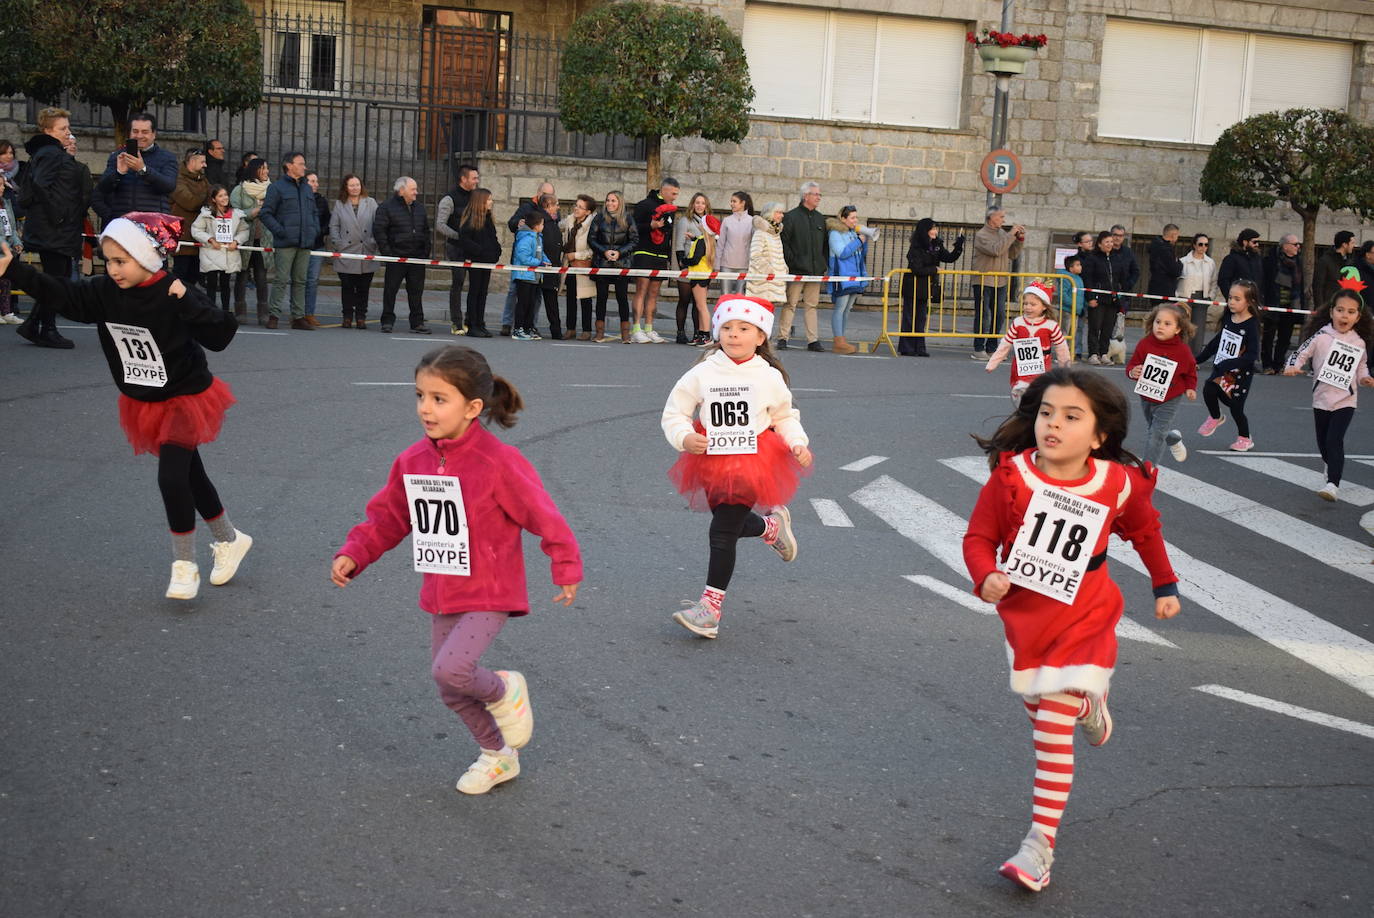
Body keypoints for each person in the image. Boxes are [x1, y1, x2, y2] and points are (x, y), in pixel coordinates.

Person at [963, 367, 1180, 893]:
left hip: (1087, 614)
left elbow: (1146, 531)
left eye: (1071, 416)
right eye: (1046, 413)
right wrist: (986, 574)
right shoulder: (1012, 477)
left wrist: (1164, 585)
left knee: (1051, 727)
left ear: (1099, 436)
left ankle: (1039, 846)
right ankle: (1090, 705)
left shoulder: (1116, 484)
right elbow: (979, 537)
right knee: (1039, 708)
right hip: (1028, 614)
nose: (1053, 424)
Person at [330, 345, 582, 795]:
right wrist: (357, 552)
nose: (425, 408)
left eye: (439, 399)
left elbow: (543, 515)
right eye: (420, 396)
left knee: (452, 670)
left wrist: (565, 564)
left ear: (473, 408)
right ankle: (498, 756)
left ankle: (505, 690)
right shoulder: (412, 461)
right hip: (443, 586)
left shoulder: (498, 462)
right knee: (450, 688)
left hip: (490, 588)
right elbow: (388, 517)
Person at [0, 214, 252, 599]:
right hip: (146, 397)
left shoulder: (174, 290)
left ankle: (184, 566)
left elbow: (221, 334)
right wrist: (15, 270)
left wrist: (189, 303)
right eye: (109, 261)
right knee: (190, 474)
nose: (114, 270)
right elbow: (64, 295)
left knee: (172, 477)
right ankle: (229, 538)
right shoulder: (104, 292)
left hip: (185, 396)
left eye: (122, 261)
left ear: (146, 256)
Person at [661, 295, 812, 639]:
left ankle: (709, 609)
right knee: (728, 522)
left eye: (744, 328)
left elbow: (784, 416)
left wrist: (796, 442)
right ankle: (769, 527)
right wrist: (684, 437)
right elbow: (675, 412)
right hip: (711, 457)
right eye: (727, 327)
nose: (733, 334)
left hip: (754, 458)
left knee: (722, 530)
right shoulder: (703, 372)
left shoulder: (768, 376)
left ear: (760, 336)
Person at [1283, 283, 1374, 501]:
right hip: (1321, 399)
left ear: (1358, 317)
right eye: (1340, 310)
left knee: (1335, 440)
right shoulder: (1321, 336)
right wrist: (1292, 366)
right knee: (1323, 443)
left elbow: (1361, 366)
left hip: (1346, 400)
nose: (1345, 315)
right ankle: (1330, 463)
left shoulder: (1358, 343)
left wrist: (1365, 378)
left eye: (1351, 312)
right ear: (1331, 312)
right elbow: (1301, 353)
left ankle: (1333, 484)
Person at [16, 107, 87, 349]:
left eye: (68, 128)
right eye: (62, 129)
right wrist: (58, 217)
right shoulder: (50, 153)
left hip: (54, 230)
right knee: (57, 281)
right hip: (53, 231)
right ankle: (46, 329)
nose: (68, 132)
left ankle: (36, 325)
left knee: (56, 281)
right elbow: (40, 185)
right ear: (48, 130)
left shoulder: (50, 152)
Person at [1126, 302, 1198, 466]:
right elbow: (1132, 364)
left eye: (1167, 324)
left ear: (1177, 329)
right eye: (1158, 322)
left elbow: (1190, 372)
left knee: (1156, 434)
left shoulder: (1182, 350)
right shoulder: (1145, 344)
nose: (1160, 327)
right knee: (1155, 429)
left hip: (1170, 397)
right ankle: (1172, 437)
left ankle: (1148, 469)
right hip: (1147, 394)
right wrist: (1133, 372)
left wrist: (1190, 388)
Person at [1196, 279, 1262, 452]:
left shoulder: (1251, 325)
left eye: (1237, 299)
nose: (1231, 302)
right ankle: (1215, 417)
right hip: (1222, 368)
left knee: (1236, 407)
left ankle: (1245, 438)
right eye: (1230, 298)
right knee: (1209, 388)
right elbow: (1216, 343)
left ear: (1249, 302)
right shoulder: (1229, 319)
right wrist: (1197, 360)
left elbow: (1252, 355)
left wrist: (1230, 363)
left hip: (1240, 373)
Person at [984, 280, 1072, 407]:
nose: (1028, 307)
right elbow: (1006, 343)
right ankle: (1023, 410)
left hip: (1042, 369)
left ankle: (1033, 412)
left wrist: (1066, 370)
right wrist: (993, 362)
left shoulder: (1051, 326)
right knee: (1021, 393)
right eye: (1025, 304)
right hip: (1021, 369)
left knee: (1038, 396)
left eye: (1033, 304)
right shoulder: (1018, 323)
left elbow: (1061, 348)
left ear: (1044, 306)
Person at [258, 152, 318, 331]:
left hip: (304, 241)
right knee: (281, 279)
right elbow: (266, 213)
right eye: (301, 163)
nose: (304, 167)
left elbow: (313, 212)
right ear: (289, 166)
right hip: (286, 242)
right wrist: (280, 231)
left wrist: (313, 230)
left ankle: (298, 317)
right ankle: (274, 315)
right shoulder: (277, 188)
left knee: (300, 280)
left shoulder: (307, 188)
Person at [373, 176, 432, 335]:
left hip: (416, 257)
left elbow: (426, 231)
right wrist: (388, 253)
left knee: (416, 292)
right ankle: (387, 321)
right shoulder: (386, 207)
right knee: (390, 291)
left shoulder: (420, 208)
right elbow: (379, 231)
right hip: (396, 257)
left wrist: (425, 251)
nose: (416, 192)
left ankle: (417, 323)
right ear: (401, 190)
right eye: (413, 189)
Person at [93, 112, 178, 223]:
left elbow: (169, 186)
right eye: (135, 131)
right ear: (129, 133)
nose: (139, 136)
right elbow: (103, 189)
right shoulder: (118, 156)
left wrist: (143, 170)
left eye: (145, 132)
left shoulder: (167, 158)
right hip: (122, 223)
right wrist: (119, 173)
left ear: (154, 134)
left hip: (153, 223)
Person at [901, 218, 964, 357]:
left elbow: (949, 258)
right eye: (933, 229)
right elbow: (916, 268)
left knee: (921, 318)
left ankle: (920, 347)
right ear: (925, 231)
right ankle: (907, 347)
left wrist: (958, 246)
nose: (936, 231)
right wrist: (934, 269)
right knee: (909, 317)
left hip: (926, 287)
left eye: (936, 228)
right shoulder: (916, 247)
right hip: (913, 286)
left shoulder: (937, 245)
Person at [970, 207, 1026, 358]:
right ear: (991, 217)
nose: (1003, 220)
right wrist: (1010, 234)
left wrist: (1019, 240)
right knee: (983, 315)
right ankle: (978, 348)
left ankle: (992, 347)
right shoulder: (981, 235)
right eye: (1001, 217)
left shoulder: (1002, 234)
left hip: (1000, 281)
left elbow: (1011, 254)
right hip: (984, 280)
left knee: (999, 315)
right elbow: (996, 250)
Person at [779, 181, 828, 351]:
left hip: (815, 271)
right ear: (806, 196)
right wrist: (793, 262)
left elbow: (825, 245)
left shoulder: (820, 218)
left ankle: (812, 340)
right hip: (796, 271)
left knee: (812, 305)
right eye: (816, 194)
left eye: (820, 194)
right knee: (790, 304)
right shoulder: (791, 217)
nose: (819, 197)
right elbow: (784, 243)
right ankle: (783, 337)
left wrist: (822, 263)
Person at [501, 180, 555, 336]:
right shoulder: (526, 208)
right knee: (515, 294)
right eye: (545, 194)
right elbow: (512, 224)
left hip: (537, 265)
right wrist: (518, 223)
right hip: (524, 267)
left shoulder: (550, 212)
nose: (548, 198)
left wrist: (545, 260)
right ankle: (509, 324)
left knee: (534, 298)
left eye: (551, 195)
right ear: (539, 193)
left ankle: (529, 325)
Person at [631, 178, 679, 343]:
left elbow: (669, 234)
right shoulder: (644, 205)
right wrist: (650, 226)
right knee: (641, 290)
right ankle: (636, 329)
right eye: (673, 194)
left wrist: (669, 258)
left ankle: (649, 329)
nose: (674, 197)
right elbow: (633, 228)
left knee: (653, 294)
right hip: (644, 253)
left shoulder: (671, 209)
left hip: (661, 256)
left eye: (676, 194)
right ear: (663, 190)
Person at [588, 190, 637, 342]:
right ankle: (599, 332)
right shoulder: (599, 218)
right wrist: (604, 252)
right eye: (608, 200)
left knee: (622, 298)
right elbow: (591, 239)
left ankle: (625, 333)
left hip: (621, 264)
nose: (609, 203)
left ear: (619, 202)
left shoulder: (628, 218)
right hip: (602, 263)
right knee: (601, 298)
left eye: (613, 200)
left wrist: (620, 253)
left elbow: (634, 240)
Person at [330, 174, 379, 329]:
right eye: (351, 185)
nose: (355, 188)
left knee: (364, 288)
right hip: (346, 251)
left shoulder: (371, 202)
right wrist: (339, 244)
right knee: (347, 287)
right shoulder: (340, 204)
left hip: (366, 250)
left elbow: (378, 224)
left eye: (357, 184)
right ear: (345, 187)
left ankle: (361, 317)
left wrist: (373, 241)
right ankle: (347, 316)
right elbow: (334, 226)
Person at [436, 164, 480, 334]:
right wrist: (459, 237)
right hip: (456, 248)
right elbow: (440, 225)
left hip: (474, 247)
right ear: (463, 179)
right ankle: (457, 322)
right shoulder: (449, 199)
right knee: (458, 282)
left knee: (476, 284)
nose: (477, 181)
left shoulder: (476, 196)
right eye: (474, 178)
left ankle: (472, 320)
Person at [827, 205, 876, 356]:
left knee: (847, 309)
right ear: (843, 219)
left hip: (855, 276)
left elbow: (861, 254)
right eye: (852, 217)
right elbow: (842, 253)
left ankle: (842, 340)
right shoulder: (835, 233)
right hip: (842, 276)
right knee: (840, 308)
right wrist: (858, 241)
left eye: (856, 217)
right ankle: (838, 342)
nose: (856, 220)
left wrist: (864, 241)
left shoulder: (852, 233)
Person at [191, 185, 248, 313]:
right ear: (213, 199)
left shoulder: (236, 214)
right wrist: (210, 239)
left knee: (225, 284)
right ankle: (211, 312)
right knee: (211, 284)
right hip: (211, 252)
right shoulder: (206, 214)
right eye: (220, 196)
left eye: (226, 195)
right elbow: (196, 230)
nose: (224, 198)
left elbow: (244, 230)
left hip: (229, 253)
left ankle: (226, 312)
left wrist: (236, 241)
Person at [453, 187, 499, 338]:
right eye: (489, 200)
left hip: (487, 262)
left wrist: (496, 251)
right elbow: (465, 240)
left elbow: (493, 239)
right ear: (481, 202)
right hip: (476, 261)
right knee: (475, 291)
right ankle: (472, 324)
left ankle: (480, 323)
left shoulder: (488, 219)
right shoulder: (471, 220)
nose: (491, 202)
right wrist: (480, 251)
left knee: (483, 292)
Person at [230, 158, 271, 324]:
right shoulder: (240, 190)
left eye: (267, 168)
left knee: (261, 276)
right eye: (263, 168)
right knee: (242, 274)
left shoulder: (272, 189)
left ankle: (263, 313)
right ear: (255, 170)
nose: (267, 171)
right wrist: (252, 212)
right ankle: (240, 311)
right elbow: (234, 212)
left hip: (264, 239)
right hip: (245, 239)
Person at [673, 191, 715, 345]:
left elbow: (708, 243)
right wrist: (682, 265)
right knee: (684, 300)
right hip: (687, 265)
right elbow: (679, 245)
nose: (700, 205)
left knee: (699, 304)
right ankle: (680, 332)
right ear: (692, 204)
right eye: (697, 202)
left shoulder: (709, 222)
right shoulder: (685, 220)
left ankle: (699, 333)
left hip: (702, 267)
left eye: (703, 203)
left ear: (707, 205)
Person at [1259, 234, 1304, 373]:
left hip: (1291, 304)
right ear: (1285, 246)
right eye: (1295, 244)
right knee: (1268, 336)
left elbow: (1300, 285)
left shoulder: (1298, 262)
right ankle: (1267, 364)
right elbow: (1264, 281)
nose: (1298, 247)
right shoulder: (1271, 260)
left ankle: (1278, 364)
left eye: (1298, 244)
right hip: (1274, 303)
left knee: (1285, 337)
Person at [1080, 230, 1122, 365]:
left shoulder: (1116, 258)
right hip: (1097, 299)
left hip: (1112, 299)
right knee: (1094, 327)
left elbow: (1121, 277)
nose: (1110, 244)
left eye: (1111, 241)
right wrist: (1090, 297)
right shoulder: (1092, 258)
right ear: (1099, 244)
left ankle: (1104, 353)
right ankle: (1093, 354)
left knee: (1108, 328)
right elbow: (1087, 279)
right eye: (1107, 242)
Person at [169, 147, 209, 285]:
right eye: (202, 162)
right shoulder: (177, 179)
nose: (205, 165)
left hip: (198, 236)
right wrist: (206, 197)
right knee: (181, 276)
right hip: (183, 236)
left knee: (193, 277)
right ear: (192, 161)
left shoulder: (203, 179)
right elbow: (190, 202)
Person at [560, 193, 597, 340]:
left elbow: (593, 250)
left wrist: (575, 255)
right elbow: (556, 226)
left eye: (580, 207)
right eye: (576, 205)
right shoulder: (569, 221)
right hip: (569, 266)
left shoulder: (592, 226)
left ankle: (587, 330)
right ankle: (570, 329)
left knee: (585, 298)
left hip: (583, 265)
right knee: (570, 298)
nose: (576, 208)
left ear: (588, 212)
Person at [510, 210, 551, 341]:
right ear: (536, 226)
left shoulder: (538, 237)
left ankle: (527, 328)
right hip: (524, 277)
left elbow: (540, 253)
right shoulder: (526, 238)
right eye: (542, 224)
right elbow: (523, 257)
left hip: (535, 277)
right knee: (523, 304)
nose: (543, 226)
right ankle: (518, 329)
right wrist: (539, 263)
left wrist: (546, 261)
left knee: (531, 305)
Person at [745, 202, 787, 313]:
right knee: (759, 314)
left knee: (768, 314)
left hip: (773, 282)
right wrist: (769, 270)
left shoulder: (775, 233)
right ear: (770, 214)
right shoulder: (760, 233)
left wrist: (783, 268)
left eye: (782, 213)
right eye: (778, 212)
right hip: (763, 284)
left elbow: (777, 256)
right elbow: (755, 256)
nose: (782, 215)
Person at [303, 171, 331, 326]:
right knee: (299, 280)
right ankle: (297, 312)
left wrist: (321, 231)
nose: (316, 184)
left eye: (316, 181)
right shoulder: (299, 198)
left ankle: (309, 313)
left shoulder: (321, 201)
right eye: (312, 181)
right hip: (300, 245)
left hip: (317, 245)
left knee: (313, 280)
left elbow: (328, 220)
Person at [716, 192, 755, 296]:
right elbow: (720, 244)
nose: (731, 204)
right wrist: (717, 265)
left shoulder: (752, 221)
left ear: (742, 203)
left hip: (744, 265)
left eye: (734, 201)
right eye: (731, 201)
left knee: (740, 296)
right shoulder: (727, 221)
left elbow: (755, 245)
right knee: (725, 295)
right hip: (726, 265)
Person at [1177, 233, 1220, 328]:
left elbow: (1214, 281)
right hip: (1184, 297)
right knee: (1182, 326)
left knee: (1198, 328)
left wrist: (1210, 297)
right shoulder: (1183, 261)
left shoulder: (1210, 263)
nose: (1203, 247)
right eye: (1200, 244)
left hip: (1202, 298)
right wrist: (1177, 296)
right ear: (1194, 245)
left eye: (1206, 245)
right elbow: (1175, 279)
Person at [1216, 228, 1263, 310]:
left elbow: (1260, 280)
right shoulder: (1231, 259)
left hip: (1253, 303)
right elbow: (1223, 280)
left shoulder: (1257, 259)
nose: (1257, 244)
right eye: (1254, 242)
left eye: (1258, 242)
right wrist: (1232, 298)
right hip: (1236, 304)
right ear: (1245, 242)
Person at [1312, 231, 1355, 310]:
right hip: (1328, 305)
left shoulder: (1349, 262)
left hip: (1344, 305)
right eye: (1352, 243)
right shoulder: (1325, 261)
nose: (1354, 246)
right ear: (1344, 244)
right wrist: (1320, 307)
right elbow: (1318, 286)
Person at [0, 175, 22, 323]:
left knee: (6, 281)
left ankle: (6, 312)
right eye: (0, 185)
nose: (2, 187)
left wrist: (17, 242)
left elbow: (11, 228)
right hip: (2, 247)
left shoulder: (5, 203)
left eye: (3, 184)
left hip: (6, 249)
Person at [1055, 254, 1086, 359]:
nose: (1080, 267)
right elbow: (1063, 295)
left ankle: (1068, 354)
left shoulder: (1079, 279)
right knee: (1064, 333)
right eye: (1077, 265)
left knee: (1072, 333)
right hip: (1067, 310)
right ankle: (1061, 355)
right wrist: (1074, 305)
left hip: (1076, 311)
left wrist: (1082, 307)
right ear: (1071, 268)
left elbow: (1081, 294)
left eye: (1080, 264)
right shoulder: (1066, 278)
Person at [1146, 223, 1182, 300]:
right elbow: (1175, 270)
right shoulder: (1166, 250)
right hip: (1165, 289)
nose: (1177, 238)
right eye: (1177, 235)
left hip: (1155, 287)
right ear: (1173, 235)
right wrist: (1179, 263)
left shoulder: (1156, 246)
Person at [1108, 224, 1140, 309]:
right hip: (1106, 293)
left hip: (1123, 294)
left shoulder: (1128, 252)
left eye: (1121, 235)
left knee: (1121, 317)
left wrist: (1128, 284)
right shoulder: (1105, 251)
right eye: (1115, 235)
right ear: (1111, 235)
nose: (1118, 238)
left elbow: (1135, 271)